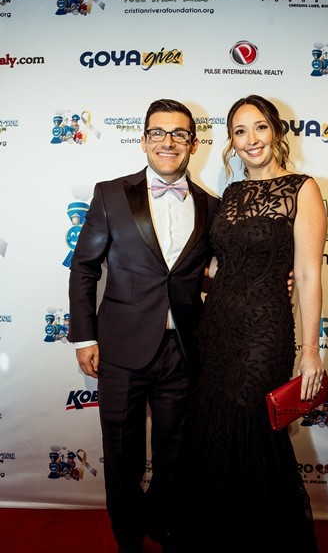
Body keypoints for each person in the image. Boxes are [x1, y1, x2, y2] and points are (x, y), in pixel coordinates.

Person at [68, 98, 220, 553]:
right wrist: (85, 336)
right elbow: (85, 268)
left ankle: (165, 525)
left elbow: (219, 271)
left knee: (177, 452)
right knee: (121, 453)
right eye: (158, 132)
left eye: (179, 134)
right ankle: (128, 537)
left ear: (193, 143)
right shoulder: (111, 194)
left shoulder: (212, 207)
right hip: (120, 348)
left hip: (184, 351)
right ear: (143, 140)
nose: (168, 142)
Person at [177, 94, 327, 552]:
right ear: (231, 142)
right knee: (212, 429)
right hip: (216, 328)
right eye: (240, 132)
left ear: (276, 131)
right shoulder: (231, 195)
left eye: (259, 127)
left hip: (265, 331)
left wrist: (310, 350)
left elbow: (307, 275)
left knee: (253, 431)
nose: (251, 139)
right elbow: (223, 267)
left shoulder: (303, 189)